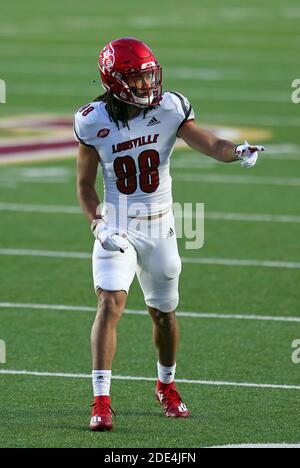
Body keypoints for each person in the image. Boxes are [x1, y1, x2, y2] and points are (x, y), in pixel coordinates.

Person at [74, 37, 264, 432]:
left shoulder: (170, 108)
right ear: (115, 80)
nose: (147, 84)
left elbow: (210, 144)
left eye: (148, 75)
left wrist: (238, 151)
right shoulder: (93, 120)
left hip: (160, 225)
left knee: (163, 315)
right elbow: (85, 186)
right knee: (110, 303)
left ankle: (166, 386)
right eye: (137, 78)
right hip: (119, 226)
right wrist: (98, 223)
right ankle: (101, 400)